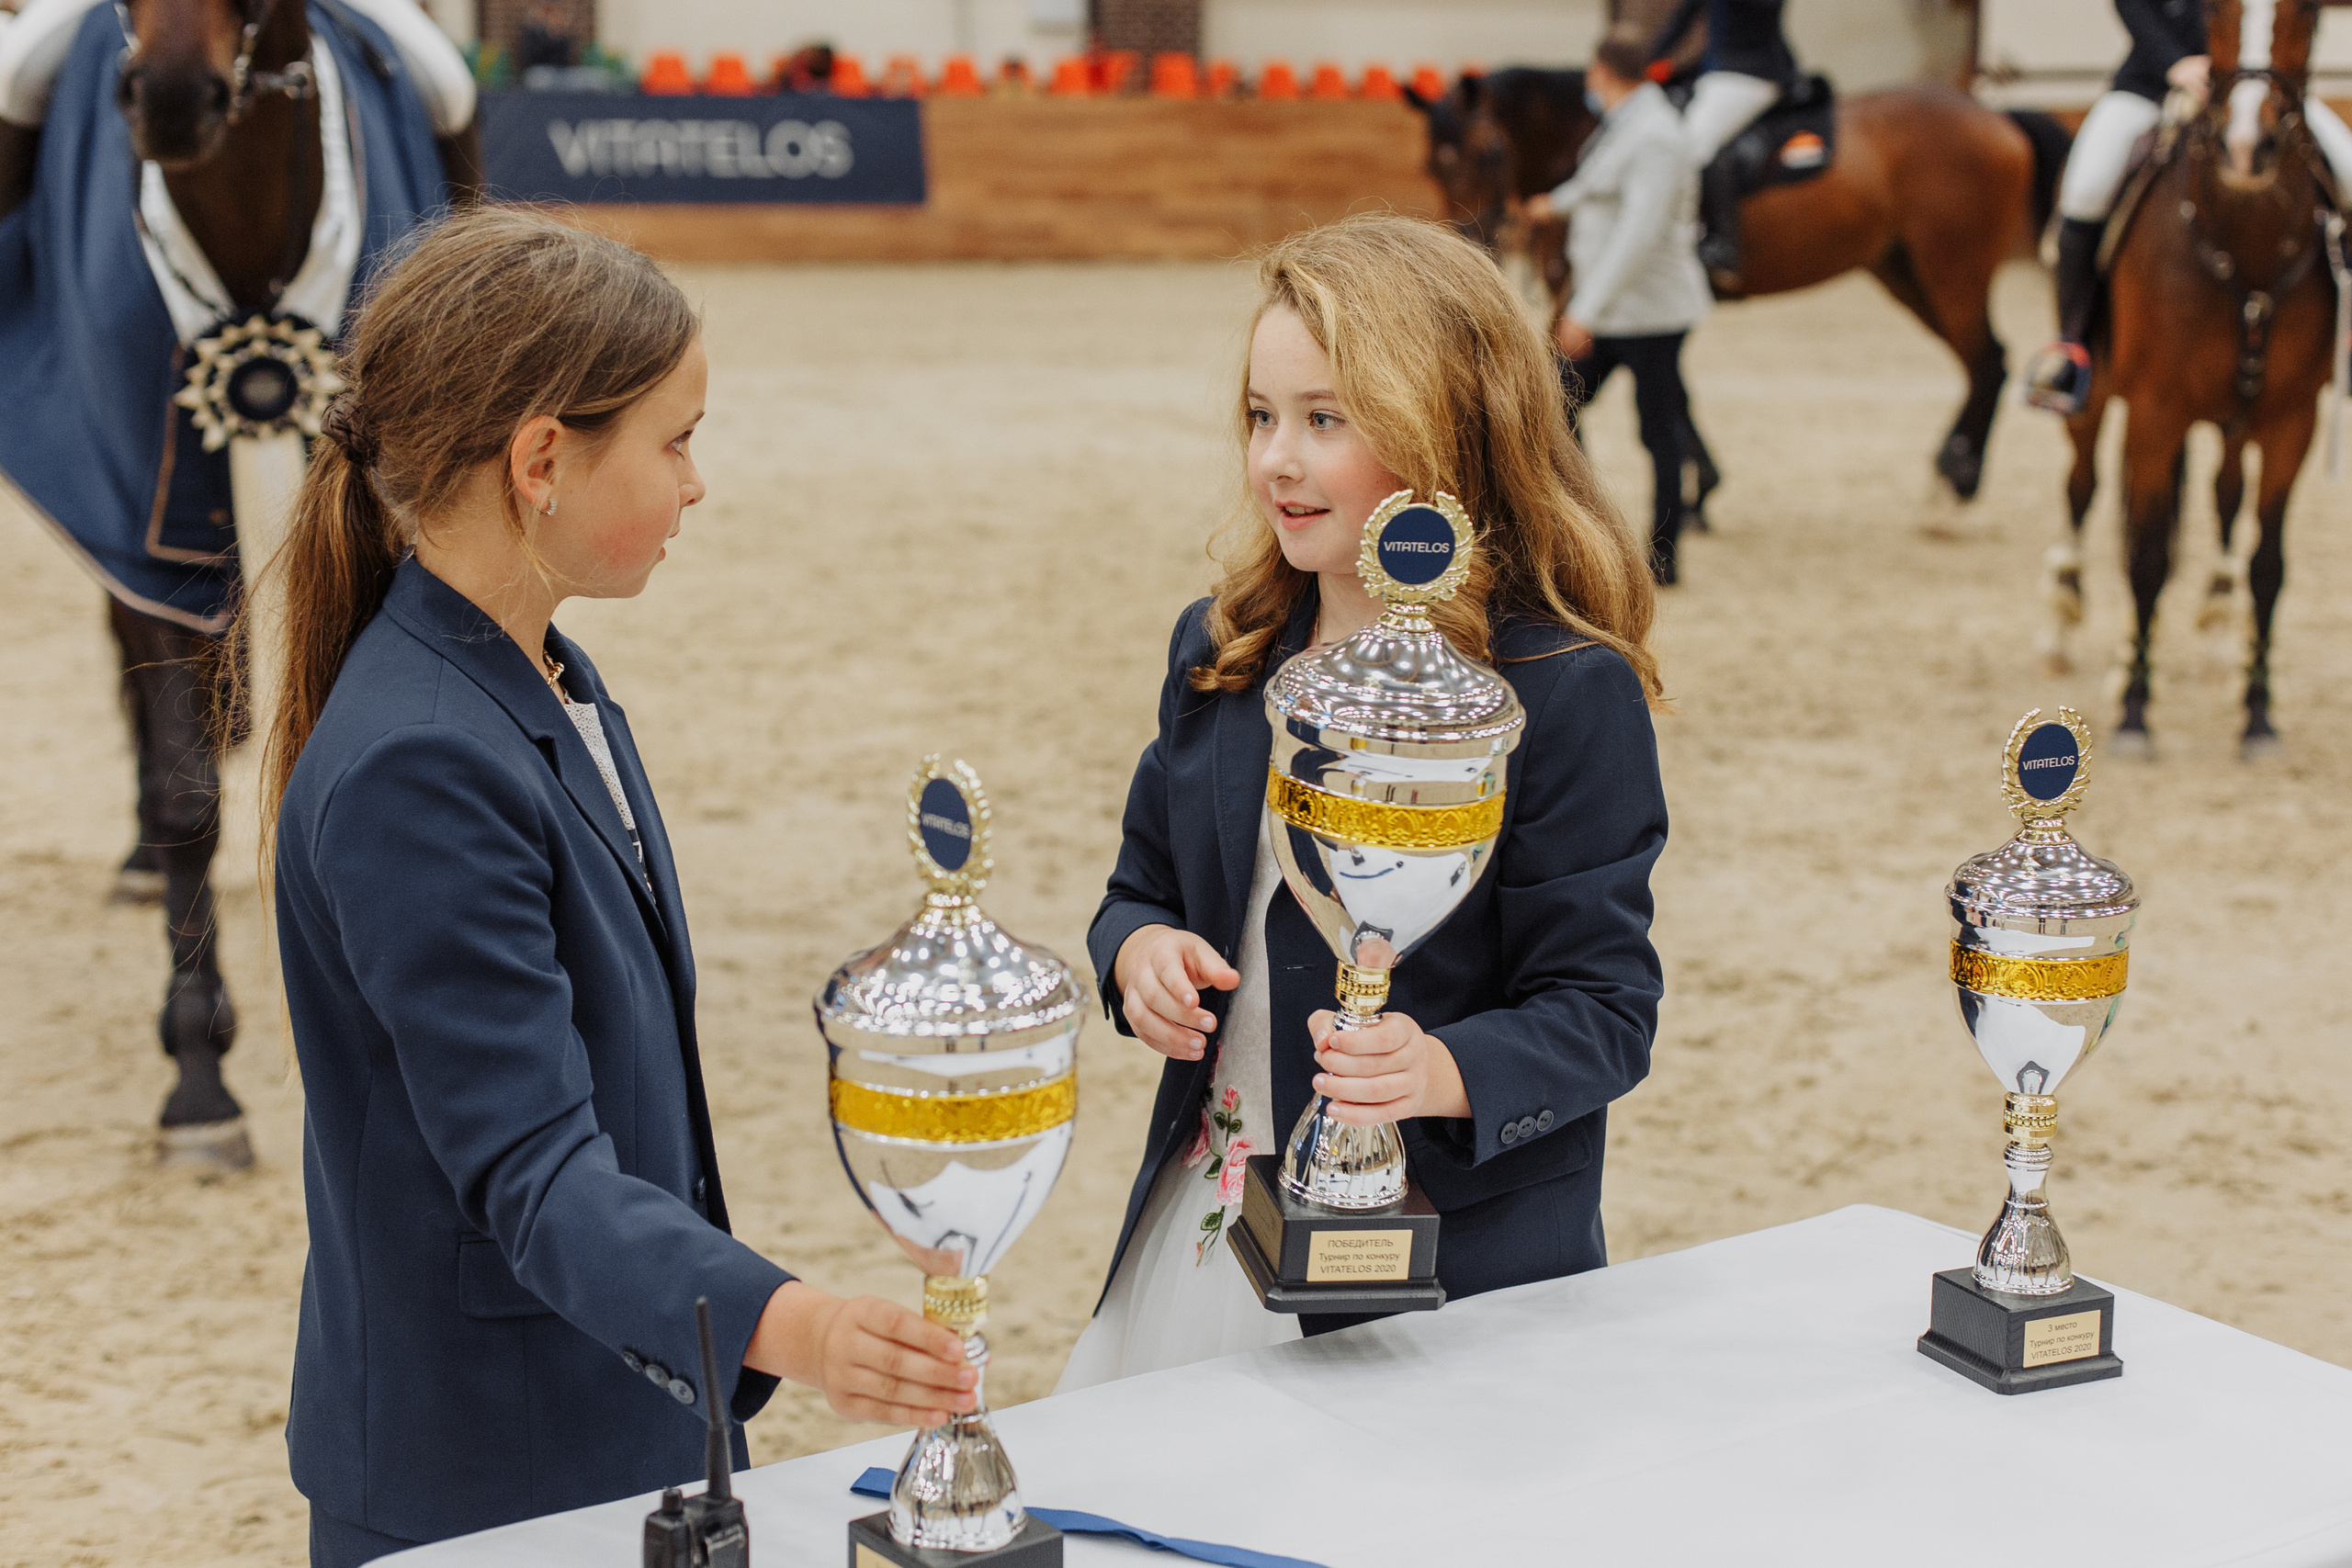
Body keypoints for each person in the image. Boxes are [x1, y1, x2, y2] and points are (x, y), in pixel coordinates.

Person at [263, 209, 978, 1566]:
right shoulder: (420, 754)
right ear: (542, 458)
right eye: (677, 438)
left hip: (620, 1400)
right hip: (488, 1464)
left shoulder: (548, 674)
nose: (697, 481)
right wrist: (800, 1324)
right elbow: (532, 1166)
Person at [1056, 214, 1668, 1389]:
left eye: (1325, 419)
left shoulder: (1562, 690)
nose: (1277, 459)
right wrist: (1136, 952)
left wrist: (1433, 1072)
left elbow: (1603, 1009)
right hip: (1214, 1216)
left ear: (1450, 428)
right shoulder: (1225, 646)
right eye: (1260, 415)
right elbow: (1138, 883)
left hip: (1452, 1267)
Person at [2026, 0, 2352, 413]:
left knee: (2350, 174)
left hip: (2258, 88)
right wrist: (2175, 62)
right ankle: (2074, 346)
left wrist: (2272, 74)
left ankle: (2347, 341)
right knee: (2085, 190)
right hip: (2153, 83)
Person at [1524, 30, 1710, 585]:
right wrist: (1550, 206)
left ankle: (1664, 553)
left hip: (1648, 312)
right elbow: (1596, 185)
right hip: (1613, 308)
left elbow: (1638, 234)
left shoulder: (1656, 137)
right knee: (1555, 406)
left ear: (1603, 71)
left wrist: (1585, 310)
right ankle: (1580, 532)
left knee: (1658, 429)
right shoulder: (1627, 123)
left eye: (1591, 72)